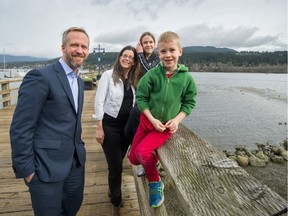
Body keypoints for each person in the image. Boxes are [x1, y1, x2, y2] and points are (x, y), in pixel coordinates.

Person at [9, 27, 90, 216]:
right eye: (74, 45)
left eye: (84, 46)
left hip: (75, 164)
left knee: (72, 208)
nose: (79, 50)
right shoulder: (41, 77)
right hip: (45, 168)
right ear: (63, 47)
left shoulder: (78, 81)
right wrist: (28, 171)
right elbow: (21, 127)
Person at [128, 31, 197, 208]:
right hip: (147, 122)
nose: (168, 55)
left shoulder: (186, 78)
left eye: (172, 50)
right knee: (133, 159)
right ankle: (152, 162)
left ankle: (155, 181)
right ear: (158, 54)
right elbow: (141, 98)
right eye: (163, 51)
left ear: (180, 51)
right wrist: (151, 119)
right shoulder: (151, 75)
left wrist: (177, 120)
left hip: (165, 127)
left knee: (142, 152)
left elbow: (189, 103)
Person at [93, 45, 140, 216]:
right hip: (110, 125)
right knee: (116, 167)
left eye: (130, 57)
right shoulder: (108, 75)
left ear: (134, 61)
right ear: (119, 57)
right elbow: (98, 101)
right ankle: (116, 202)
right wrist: (99, 127)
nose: (127, 59)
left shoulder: (134, 80)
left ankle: (112, 190)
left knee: (117, 162)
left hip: (126, 128)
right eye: (124, 55)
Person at [124, 32, 160, 176]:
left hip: (155, 102)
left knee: (135, 114)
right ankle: (138, 151)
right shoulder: (140, 59)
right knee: (128, 131)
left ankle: (147, 160)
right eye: (145, 42)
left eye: (151, 42)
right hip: (143, 100)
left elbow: (150, 72)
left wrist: (139, 54)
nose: (148, 45)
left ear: (155, 43)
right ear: (141, 44)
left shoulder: (158, 58)